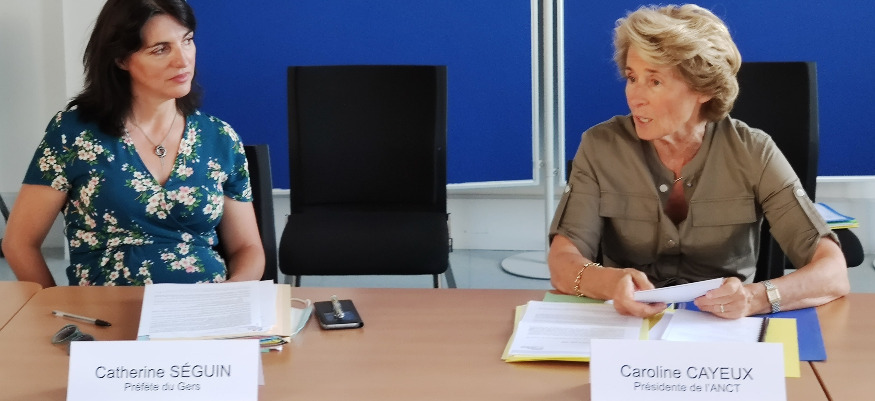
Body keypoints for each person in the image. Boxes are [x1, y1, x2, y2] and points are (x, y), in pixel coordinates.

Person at [548, 4, 849, 319]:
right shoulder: (600, 147)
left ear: (704, 89)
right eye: (632, 77)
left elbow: (833, 271)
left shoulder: (754, 152)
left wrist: (754, 298)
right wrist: (609, 283)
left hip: (723, 328)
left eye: (655, 81)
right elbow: (562, 259)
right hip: (627, 324)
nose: (634, 97)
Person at [1, 0, 265, 287]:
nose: (183, 60)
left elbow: (247, 247)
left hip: (204, 307)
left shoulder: (220, 137)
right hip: (103, 309)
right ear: (121, 59)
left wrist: (233, 294)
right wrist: (53, 306)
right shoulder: (73, 134)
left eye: (187, 40)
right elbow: (19, 243)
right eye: (160, 49)